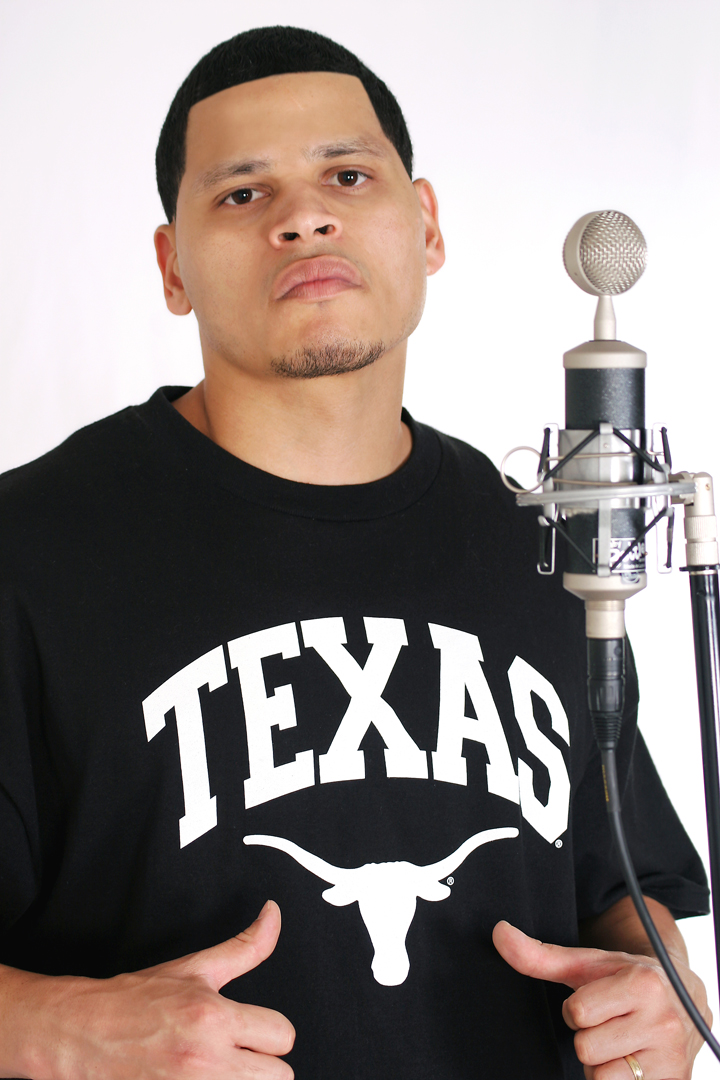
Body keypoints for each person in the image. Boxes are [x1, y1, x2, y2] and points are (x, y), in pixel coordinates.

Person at [0, 25, 712, 1080]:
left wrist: (662, 988)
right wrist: (54, 1029)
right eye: (243, 192)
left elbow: (618, 888)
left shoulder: (541, 538)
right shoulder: (30, 551)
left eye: (346, 174)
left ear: (426, 226)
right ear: (172, 267)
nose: (304, 217)